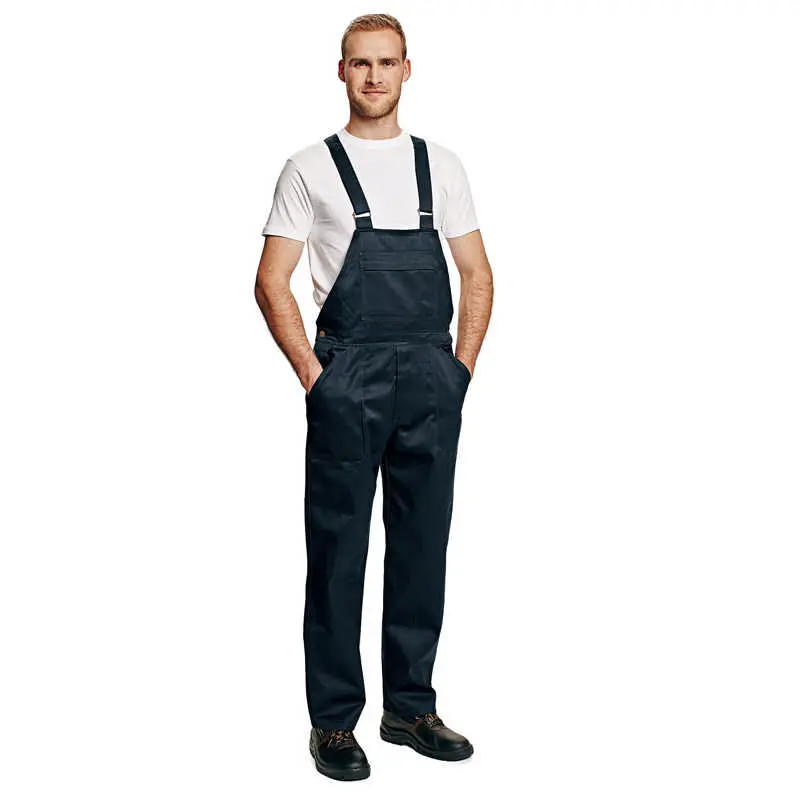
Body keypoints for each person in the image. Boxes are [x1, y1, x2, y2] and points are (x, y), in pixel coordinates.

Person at [254, 13, 493, 781]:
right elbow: (272, 280)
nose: (374, 76)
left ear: (407, 70)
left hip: (430, 375)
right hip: (347, 376)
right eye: (360, 63)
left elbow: (477, 275)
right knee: (339, 553)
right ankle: (333, 723)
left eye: (387, 62)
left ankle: (410, 708)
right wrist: (313, 375)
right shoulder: (308, 167)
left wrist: (459, 372)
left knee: (423, 546)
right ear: (341, 71)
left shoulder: (440, 165)